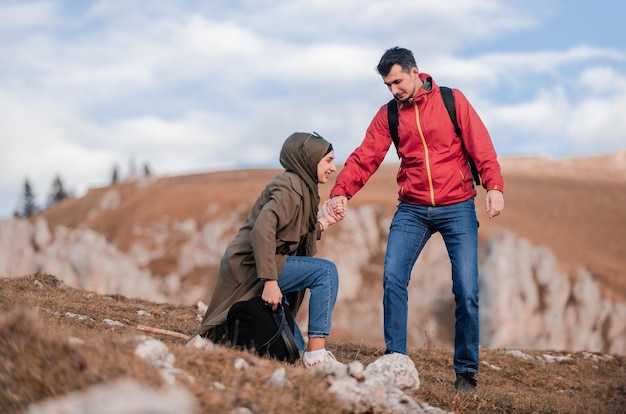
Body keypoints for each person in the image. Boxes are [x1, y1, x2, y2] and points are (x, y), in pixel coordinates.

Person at [329, 47, 504, 391]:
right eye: (387, 85)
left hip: (458, 206)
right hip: (412, 209)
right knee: (393, 277)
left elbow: (480, 145)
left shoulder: (452, 100)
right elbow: (366, 156)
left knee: (467, 291)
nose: (394, 90)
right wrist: (341, 192)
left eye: (397, 81)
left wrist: (494, 186)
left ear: (415, 73)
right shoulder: (389, 115)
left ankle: (466, 373)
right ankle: (396, 359)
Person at [194, 132, 340, 368]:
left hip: (266, 264)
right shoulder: (289, 188)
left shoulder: (302, 187)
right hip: (252, 266)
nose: (333, 167)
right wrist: (270, 282)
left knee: (293, 350)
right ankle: (317, 357)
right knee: (325, 272)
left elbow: (292, 233)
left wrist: (322, 223)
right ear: (309, 159)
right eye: (328, 160)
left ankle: (218, 345)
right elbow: (262, 230)